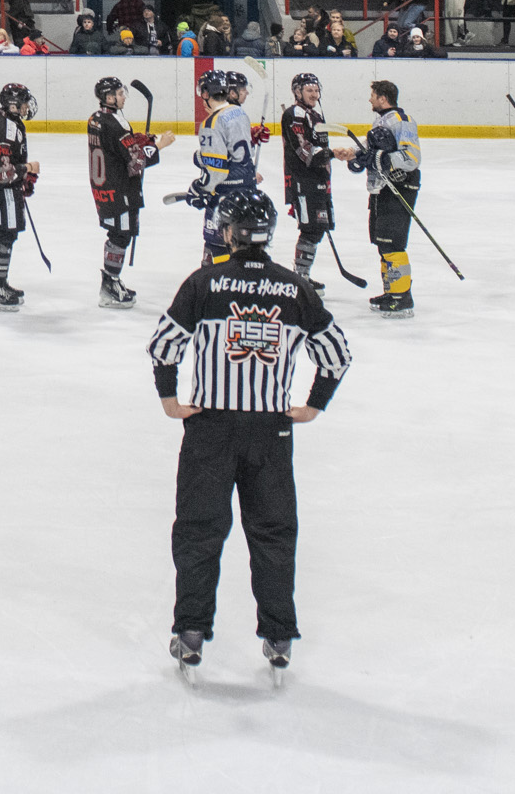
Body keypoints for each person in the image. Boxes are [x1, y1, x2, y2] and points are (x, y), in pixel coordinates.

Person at [148, 186, 350, 677]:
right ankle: (279, 635)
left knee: (199, 530)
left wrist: (171, 400)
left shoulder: (205, 282)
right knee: (274, 533)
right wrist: (313, 406)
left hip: (210, 429)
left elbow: (162, 346)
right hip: (271, 434)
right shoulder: (296, 289)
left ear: (227, 231)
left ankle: (191, 631)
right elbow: (337, 355)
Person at [340, 80, 420, 317]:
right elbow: (372, 147)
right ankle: (391, 290)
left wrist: (381, 158)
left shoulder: (401, 121)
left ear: (383, 98)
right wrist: (354, 153)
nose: (370, 99)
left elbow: (411, 158)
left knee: (392, 242)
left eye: (373, 95)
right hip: (382, 187)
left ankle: (402, 297)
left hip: (399, 185)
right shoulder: (382, 120)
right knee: (382, 241)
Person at [85, 77, 167, 309]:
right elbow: (135, 161)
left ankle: (112, 281)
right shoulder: (115, 123)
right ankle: (110, 285)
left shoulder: (96, 118)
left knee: (118, 233)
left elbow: (118, 147)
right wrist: (158, 145)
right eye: (120, 93)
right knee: (120, 235)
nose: (123, 97)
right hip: (119, 187)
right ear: (109, 97)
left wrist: (136, 141)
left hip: (104, 187)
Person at [0, 84, 40, 312]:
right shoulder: (6, 126)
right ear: (13, 104)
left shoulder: (1, 118)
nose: (26, 106)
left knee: (7, 234)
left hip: (3, 189)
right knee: (3, 235)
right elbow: (1, 172)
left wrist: (21, 177)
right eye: (23, 102)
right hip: (1, 190)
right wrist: (26, 169)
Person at [190, 69, 259, 260]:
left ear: (205, 93)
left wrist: (198, 188)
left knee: (216, 248)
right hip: (248, 190)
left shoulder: (211, 123)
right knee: (242, 247)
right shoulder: (238, 112)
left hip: (225, 196)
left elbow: (216, 171)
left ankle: (218, 287)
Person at [277, 73, 337, 278]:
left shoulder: (314, 114)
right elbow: (305, 151)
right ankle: (300, 278)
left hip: (317, 180)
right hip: (303, 180)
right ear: (297, 92)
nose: (314, 94)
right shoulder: (296, 114)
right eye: (309, 90)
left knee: (317, 228)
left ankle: (303, 276)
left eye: (316, 90)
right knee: (311, 229)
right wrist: (334, 154)